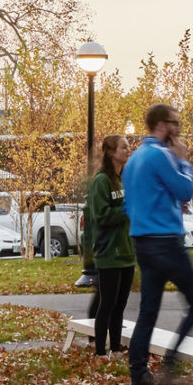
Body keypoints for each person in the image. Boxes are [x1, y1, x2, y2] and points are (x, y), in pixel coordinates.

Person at [122, 103, 193, 385]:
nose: (179, 127)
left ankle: (139, 376)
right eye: (175, 122)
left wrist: (167, 204)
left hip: (143, 244)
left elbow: (132, 204)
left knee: (148, 312)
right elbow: (185, 190)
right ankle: (170, 367)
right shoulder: (162, 155)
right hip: (166, 243)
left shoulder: (134, 160)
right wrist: (183, 161)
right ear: (162, 125)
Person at [83, 133, 136, 358]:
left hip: (126, 251)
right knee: (107, 303)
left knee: (120, 304)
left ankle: (115, 348)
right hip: (109, 252)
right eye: (123, 147)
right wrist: (127, 209)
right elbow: (101, 215)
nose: (128, 150)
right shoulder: (101, 181)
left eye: (128, 146)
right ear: (111, 152)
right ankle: (99, 351)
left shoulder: (122, 179)